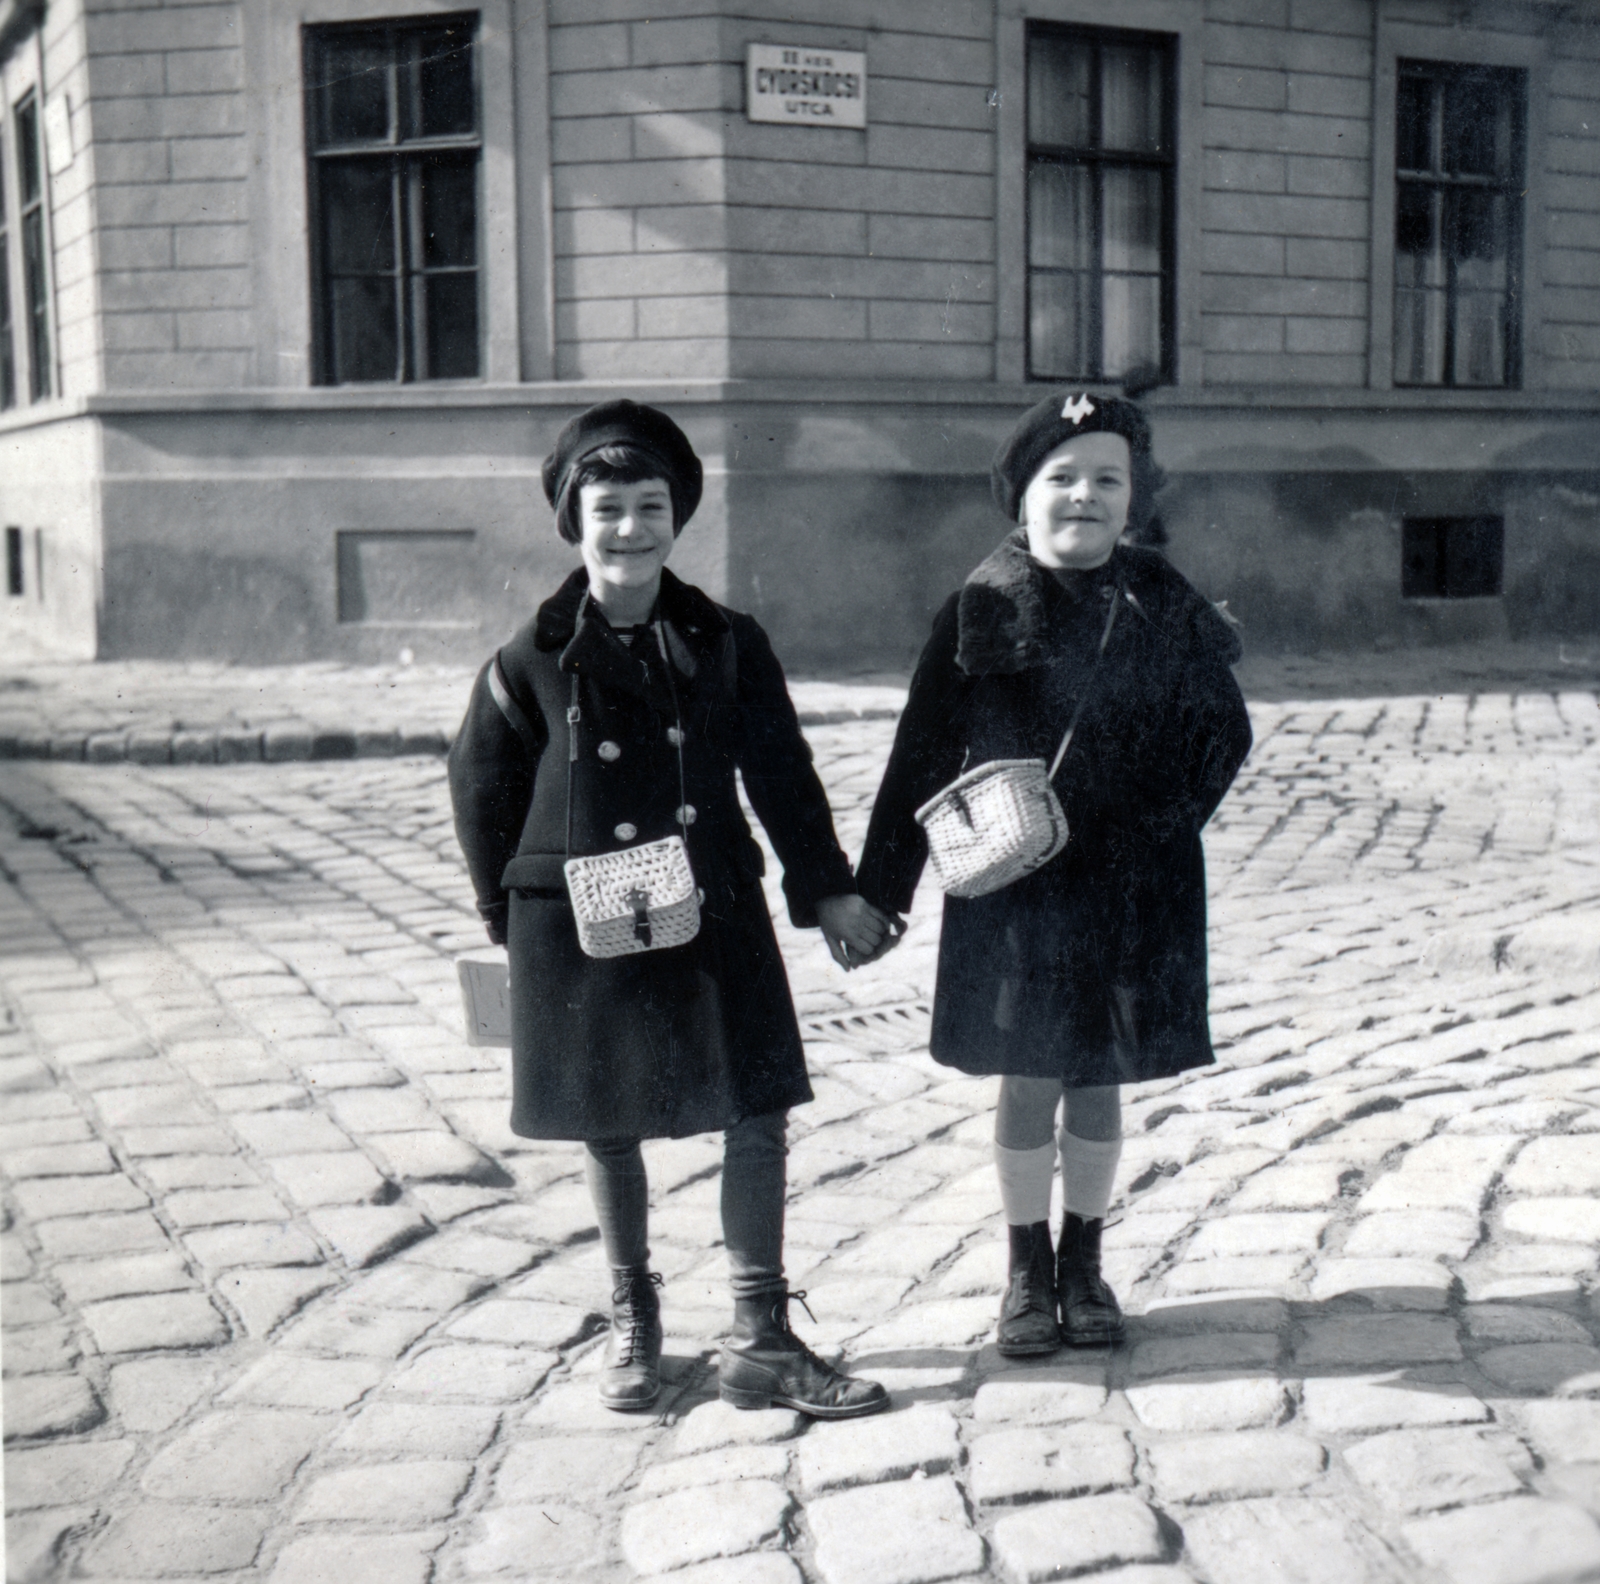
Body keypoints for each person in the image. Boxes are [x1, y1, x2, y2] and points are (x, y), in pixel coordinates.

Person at [450, 400, 894, 1415]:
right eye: (605, 508)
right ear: (574, 520)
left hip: (711, 902)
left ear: (677, 516)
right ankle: (633, 1323)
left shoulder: (724, 641)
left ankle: (761, 1335)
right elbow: (480, 788)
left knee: (758, 1107)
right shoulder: (531, 656)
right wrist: (507, 920)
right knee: (610, 1122)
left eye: (650, 505)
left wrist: (823, 888)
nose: (629, 529)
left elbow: (783, 773)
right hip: (580, 915)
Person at [855, 391, 1252, 1353]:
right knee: (1030, 1066)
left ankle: (1086, 1259)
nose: (1084, 497)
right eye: (1060, 479)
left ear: (1134, 499)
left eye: (1107, 481)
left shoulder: (1160, 598)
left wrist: (1165, 822)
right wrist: (878, 893)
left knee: (1100, 1065)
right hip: (1020, 891)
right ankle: (1026, 1269)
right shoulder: (982, 606)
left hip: (1132, 881)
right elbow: (920, 754)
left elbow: (1223, 726)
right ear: (1021, 497)